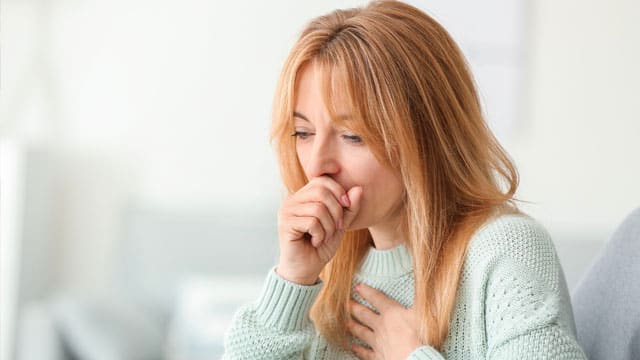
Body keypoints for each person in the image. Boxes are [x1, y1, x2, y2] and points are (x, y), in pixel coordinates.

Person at [223, 1, 587, 359]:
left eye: (353, 136)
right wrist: (291, 280)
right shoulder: (326, 268)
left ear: (425, 137)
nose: (317, 165)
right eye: (303, 133)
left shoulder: (506, 251)